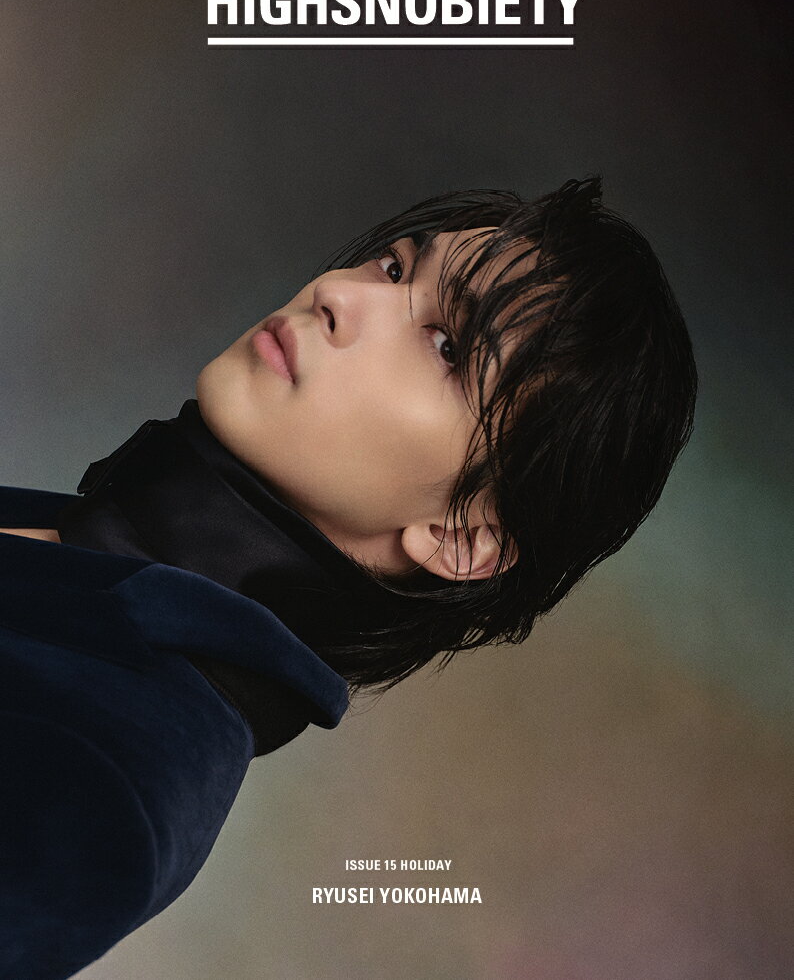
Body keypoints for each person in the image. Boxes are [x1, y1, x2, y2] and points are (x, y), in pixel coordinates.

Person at [0, 177, 696, 979]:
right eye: (394, 268)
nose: (337, 293)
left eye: (448, 348)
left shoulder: (114, 774)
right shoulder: (79, 557)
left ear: (460, 538)